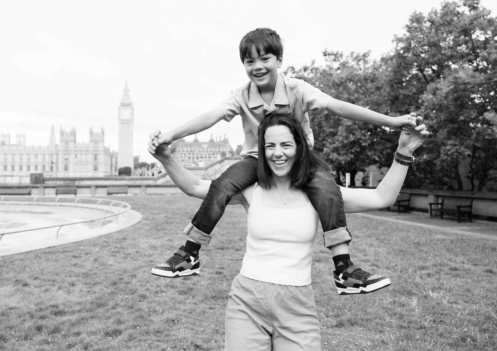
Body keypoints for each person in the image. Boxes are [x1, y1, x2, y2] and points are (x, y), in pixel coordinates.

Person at [150, 27, 415, 295]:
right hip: (257, 159)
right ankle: (190, 253)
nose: (258, 66)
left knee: (327, 189)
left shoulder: (297, 89)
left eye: (265, 58)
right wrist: (171, 135)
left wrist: (391, 122)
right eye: (249, 61)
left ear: (279, 60)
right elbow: (211, 117)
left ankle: (344, 268)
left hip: (301, 160)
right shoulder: (240, 95)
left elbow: (339, 106)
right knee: (223, 183)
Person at [149, 113, 429, 350]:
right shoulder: (250, 189)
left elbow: (382, 197)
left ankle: (344, 271)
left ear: (299, 146)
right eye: (269, 146)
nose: (277, 153)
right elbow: (196, 188)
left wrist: (404, 153)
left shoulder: (323, 193)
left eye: (285, 144)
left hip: (297, 305)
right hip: (247, 300)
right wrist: (166, 159)